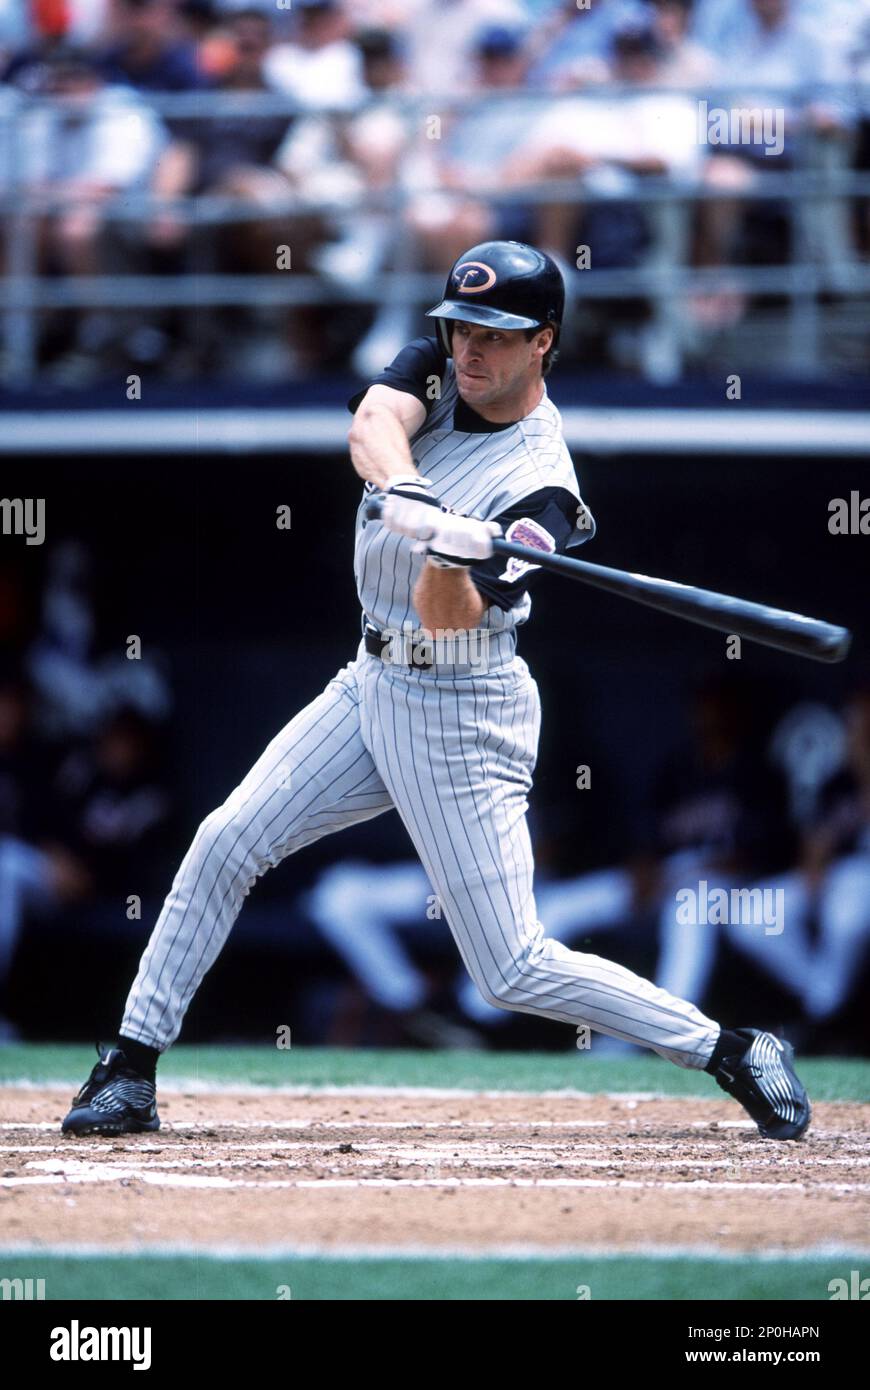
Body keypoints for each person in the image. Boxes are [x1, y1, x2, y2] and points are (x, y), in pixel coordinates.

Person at [61, 239, 810, 1142]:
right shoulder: (441, 367)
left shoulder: (547, 494)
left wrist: (453, 550)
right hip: (368, 677)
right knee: (225, 841)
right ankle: (130, 1065)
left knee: (509, 968)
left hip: (463, 708)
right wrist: (411, 489)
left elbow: (450, 618)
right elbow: (370, 424)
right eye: (461, 328)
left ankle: (730, 1047)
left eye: (495, 336)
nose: (469, 350)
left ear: (544, 340)